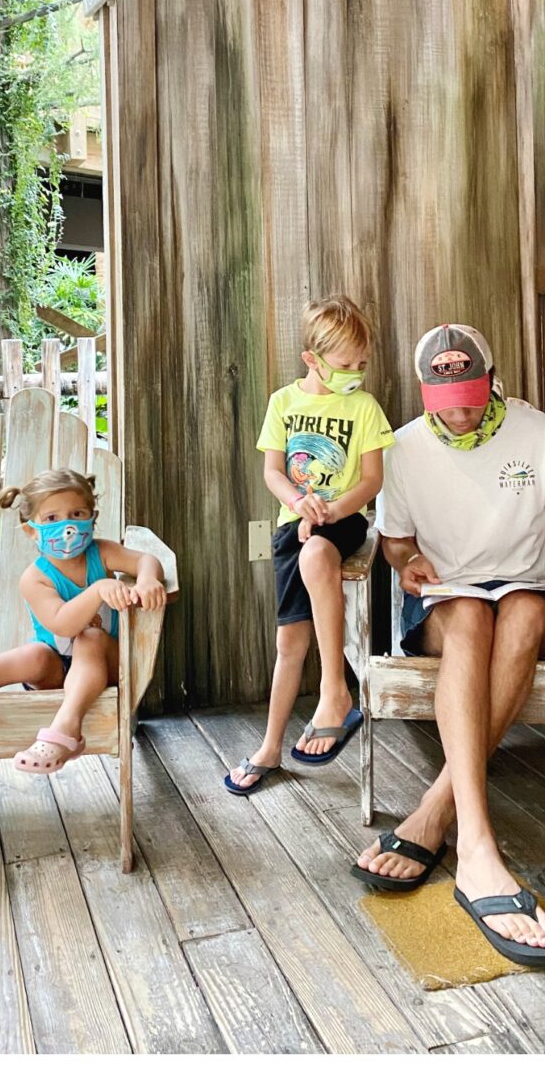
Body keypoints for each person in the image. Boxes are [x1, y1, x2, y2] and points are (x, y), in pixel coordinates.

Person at [350, 324, 545, 967]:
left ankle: (435, 810)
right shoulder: (402, 448)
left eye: (469, 395)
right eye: (445, 400)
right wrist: (405, 563)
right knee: (468, 616)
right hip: (448, 596)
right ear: (424, 390)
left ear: (491, 381)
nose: (459, 413)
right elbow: (397, 542)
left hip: (526, 588)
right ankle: (480, 850)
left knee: (515, 613)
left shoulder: (535, 431)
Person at [225, 295, 393, 794]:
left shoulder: (363, 407)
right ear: (312, 360)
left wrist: (331, 511)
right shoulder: (284, 402)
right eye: (344, 365)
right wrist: (302, 504)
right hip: (293, 522)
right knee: (288, 644)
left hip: (342, 521)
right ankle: (270, 748)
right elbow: (273, 472)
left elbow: (371, 481)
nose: (355, 373)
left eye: (362, 364)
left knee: (318, 550)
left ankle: (335, 688)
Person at [0, 468, 168, 771]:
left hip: (105, 666)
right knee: (34, 654)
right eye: (52, 519)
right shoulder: (35, 578)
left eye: (77, 513)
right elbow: (63, 624)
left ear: (91, 519)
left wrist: (148, 579)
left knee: (91, 637)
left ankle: (67, 728)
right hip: (54, 673)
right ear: (32, 529)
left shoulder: (102, 553)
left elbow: (145, 559)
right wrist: (98, 590)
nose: (67, 526)